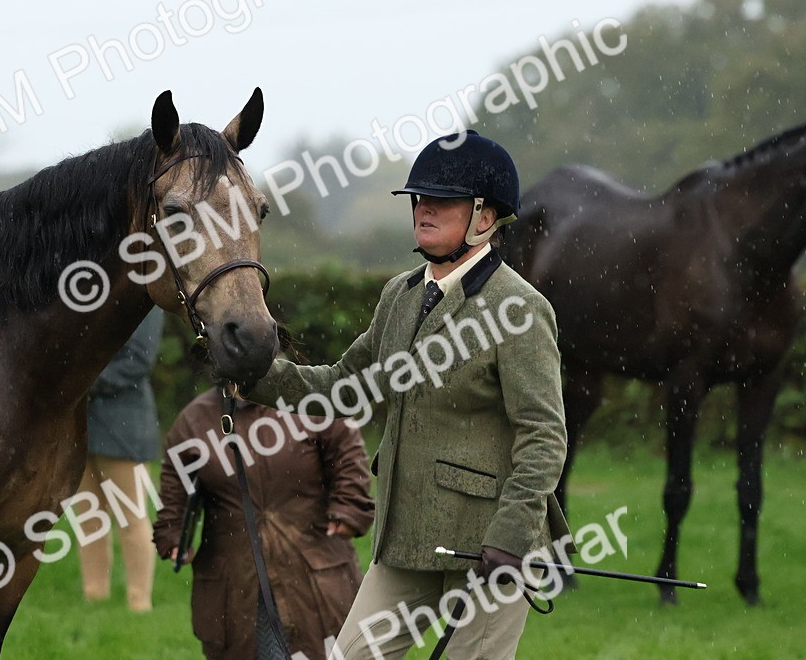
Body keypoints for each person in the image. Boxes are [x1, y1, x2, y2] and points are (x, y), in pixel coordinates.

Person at [243, 130, 568, 660]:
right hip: (408, 534)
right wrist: (254, 374)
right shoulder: (399, 294)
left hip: (490, 545)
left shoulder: (520, 309)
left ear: (486, 219)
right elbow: (342, 387)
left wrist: (511, 534)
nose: (425, 210)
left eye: (444, 200)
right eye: (421, 198)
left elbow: (544, 436)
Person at [153, 387, 374, 660]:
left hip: (317, 574)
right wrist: (173, 533)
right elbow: (175, 485)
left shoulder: (310, 401)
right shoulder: (195, 421)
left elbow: (347, 457)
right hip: (234, 585)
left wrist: (349, 508)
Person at [75, 306, 165, 612]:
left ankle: (139, 602)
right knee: (89, 518)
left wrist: (82, 381)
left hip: (124, 423)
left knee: (131, 517)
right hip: (83, 421)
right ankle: (93, 596)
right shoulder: (93, 296)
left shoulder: (146, 305)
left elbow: (138, 360)